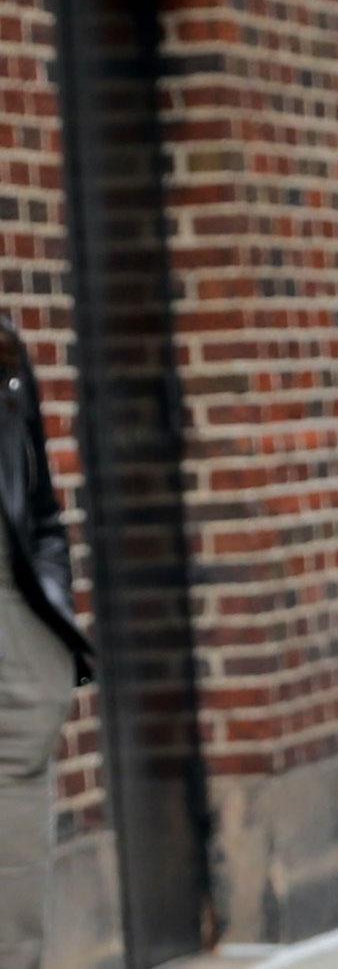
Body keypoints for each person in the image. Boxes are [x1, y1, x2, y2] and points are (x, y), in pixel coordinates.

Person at [1, 316, 92, 969]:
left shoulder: (3, 351)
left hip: (13, 658)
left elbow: (41, 514)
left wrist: (43, 641)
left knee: (14, 928)